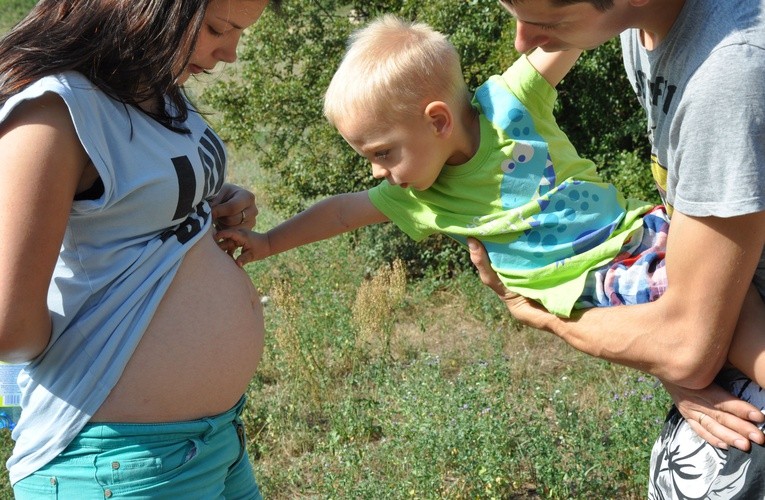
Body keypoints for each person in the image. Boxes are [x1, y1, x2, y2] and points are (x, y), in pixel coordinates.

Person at [216, 13, 765, 422]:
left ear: (436, 121)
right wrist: (267, 243)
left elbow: (568, 34)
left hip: (633, 231)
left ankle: (697, 382)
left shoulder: (510, 100)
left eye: (382, 153)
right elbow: (339, 213)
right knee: (728, 313)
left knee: (719, 283)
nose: (380, 174)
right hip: (585, 282)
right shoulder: (420, 197)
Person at [465, 0, 765, 496]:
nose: (522, 41)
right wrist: (671, 351)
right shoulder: (642, 25)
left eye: (547, 22)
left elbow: (689, 350)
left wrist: (536, 310)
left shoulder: (727, 73)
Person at [0, 0, 279, 497]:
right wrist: (95, 338)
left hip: (216, 443)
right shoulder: (55, 112)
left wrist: (211, 198)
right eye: (218, 28)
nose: (231, 52)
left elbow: (131, 198)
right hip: (116, 460)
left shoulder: (156, 89)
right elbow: (8, 325)